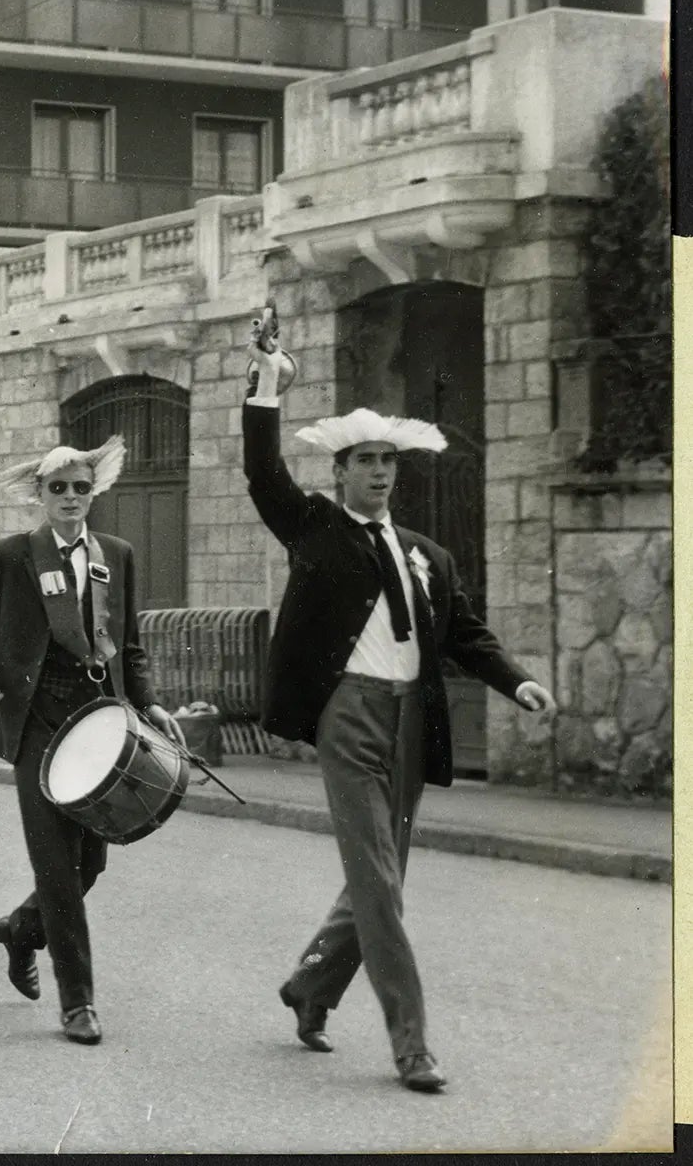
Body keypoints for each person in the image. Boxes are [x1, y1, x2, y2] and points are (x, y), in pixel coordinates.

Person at [243, 338, 555, 1094]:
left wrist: (515, 684)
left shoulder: (425, 555)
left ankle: (310, 988)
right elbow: (261, 472)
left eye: (389, 460)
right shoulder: (313, 527)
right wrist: (262, 386)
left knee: (381, 881)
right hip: (346, 718)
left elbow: (466, 635)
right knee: (377, 882)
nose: (380, 471)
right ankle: (410, 1044)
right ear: (339, 471)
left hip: (411, 722)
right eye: (365, 460)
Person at [0, 441, 179, 1046]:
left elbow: (128, 645)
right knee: (56, 862)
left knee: (92, 859)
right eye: (58, 489)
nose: (71, 498)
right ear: (40, 495)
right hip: (36, 724)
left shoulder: (117, 556)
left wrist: (149, 701)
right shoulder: (12, 556)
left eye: (80, 488)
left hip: (102, 722)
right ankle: (79, 1004)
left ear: (94, 492)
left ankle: (22, 930)